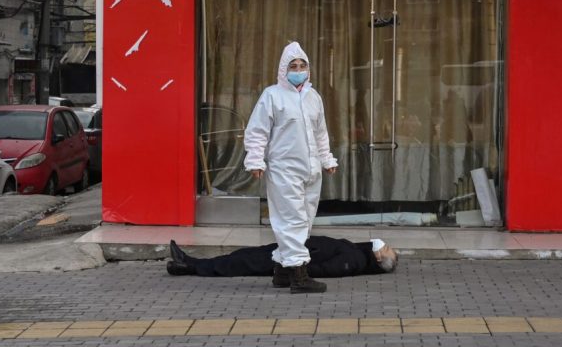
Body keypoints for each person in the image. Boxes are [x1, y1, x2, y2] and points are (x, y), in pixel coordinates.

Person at [244, 41, 338, 294]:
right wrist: (255, 160)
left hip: (311, 169)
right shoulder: (272, 96)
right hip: (284, 168)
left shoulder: (313, 96)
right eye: (293, 66)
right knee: (292, 220)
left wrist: (327, 159)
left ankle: (282, 270)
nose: (298, 69)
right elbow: (257, 131)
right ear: (283, 70)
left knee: (304, 220)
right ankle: (299, 275)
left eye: (302, 65)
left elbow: (320, 133)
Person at [165, 237, 398, 279]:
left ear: (379, 258)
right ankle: (188, 264)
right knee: (243, 256)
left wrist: (295, 268)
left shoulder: (356, 260)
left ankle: (189, 265)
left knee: (240, 264)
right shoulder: (359, 252)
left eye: (386, 248)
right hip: (291, 247)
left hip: (290, 258)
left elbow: (328, 269)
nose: (384, 244)